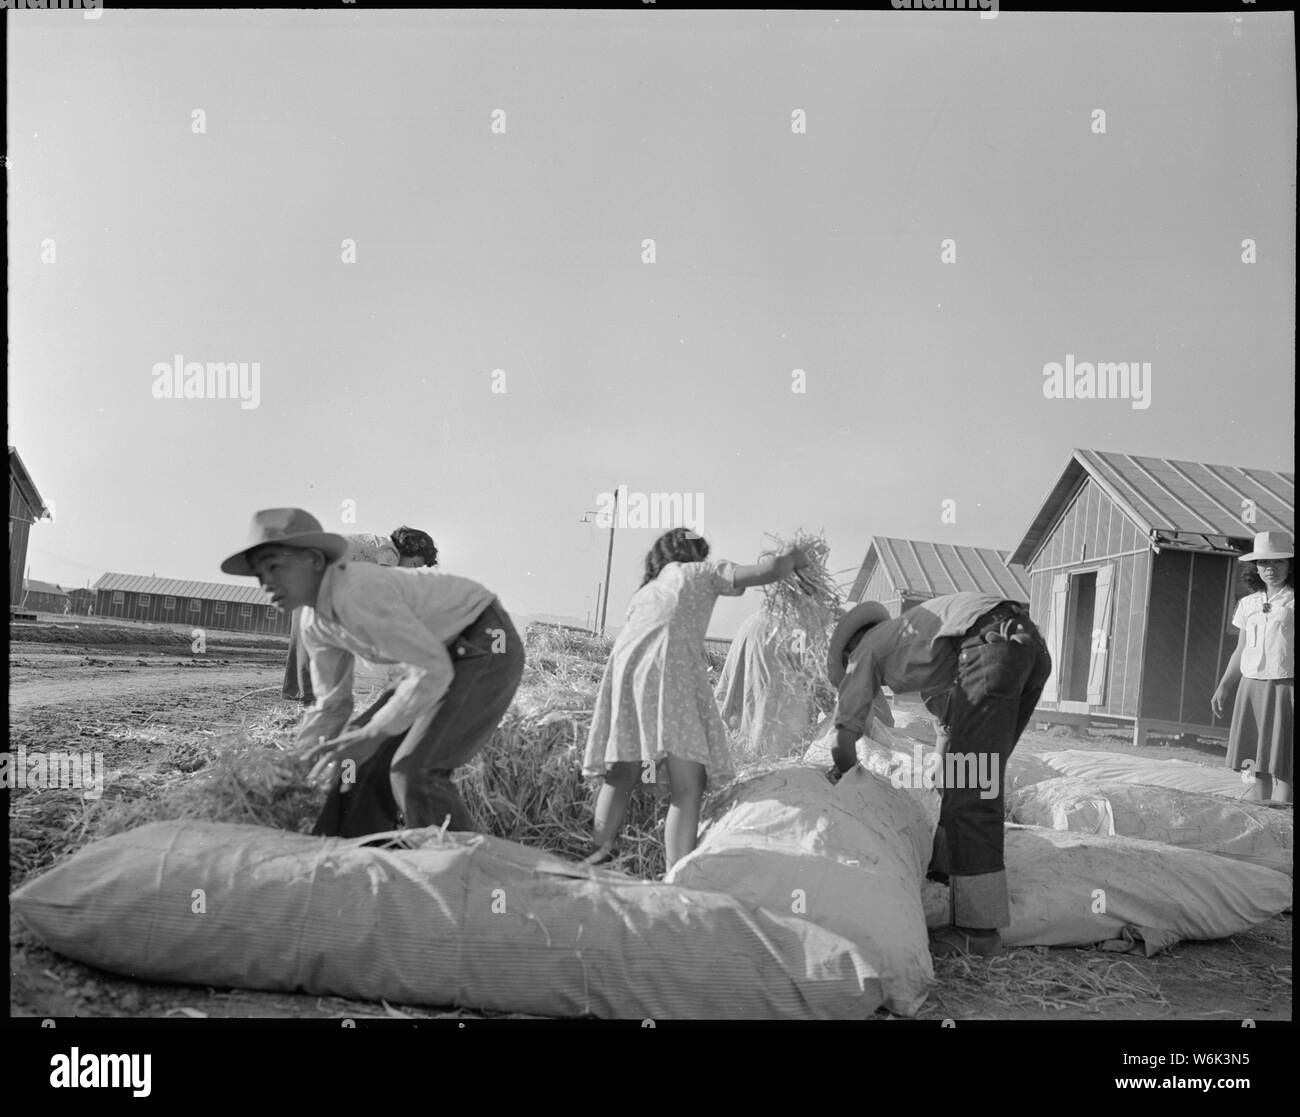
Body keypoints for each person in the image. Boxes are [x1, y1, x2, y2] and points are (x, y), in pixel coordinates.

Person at [222, 508, 523, 837]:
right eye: (259, 574)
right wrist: (300, 760)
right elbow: (332, 705)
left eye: (275, 566)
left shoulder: (358, 591)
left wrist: (373, 735)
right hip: (435, 656)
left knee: (413, 771)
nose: (266, 584)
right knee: (356, 760)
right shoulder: (314, 624)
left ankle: (465, 873)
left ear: (315, 560)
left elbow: (432, 669)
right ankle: (352, 860)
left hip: (485, 642)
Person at [826, 593, 1051, 958]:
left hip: (990, 645)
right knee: (968, 779)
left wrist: (843, 774)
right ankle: (943, 874)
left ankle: (979, 935)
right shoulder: (922, 640)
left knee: (972, 787)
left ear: (849, 649)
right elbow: (949, 726)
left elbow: (843, 735)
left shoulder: (863, 652)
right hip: (1030, 648)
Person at [582, 528, 809, 872]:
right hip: (667, 668)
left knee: (623, 772)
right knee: (689, 785)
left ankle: (595, 859)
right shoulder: (701, 572)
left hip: (625, 673)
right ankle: (678, 875)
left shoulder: (646, 592)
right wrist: (794, 555)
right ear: (692, 556)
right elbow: (770, 572)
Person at [282, 526, 439, 704]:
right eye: (415, 565)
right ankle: (312, 696)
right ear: (409, 549)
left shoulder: (378, 545)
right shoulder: (389, 554)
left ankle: (304, 693)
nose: (411, 571)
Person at [1212, 531, 1294, 806]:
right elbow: (1241, 650)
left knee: (1283, 757)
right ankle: (1255, 809)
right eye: (1263, 563)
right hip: (1251, 687)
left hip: (1285, 687)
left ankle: (1283, 815)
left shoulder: (1293, 602)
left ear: (1290, 565)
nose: (1270, 569)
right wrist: (1225, 685)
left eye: (1278, 562)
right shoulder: (1248, 604)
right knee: (1252, 756)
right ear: (1255, 567)